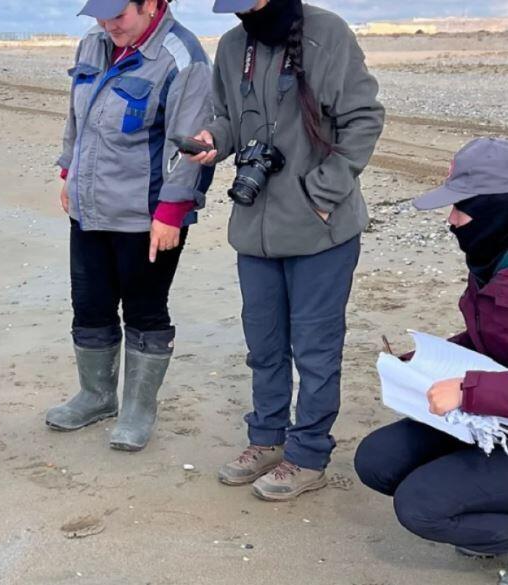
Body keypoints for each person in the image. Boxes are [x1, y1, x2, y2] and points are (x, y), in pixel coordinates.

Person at [190, 0, 384, 499]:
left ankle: (308, 455)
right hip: (255, 230)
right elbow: (229, 119)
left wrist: (320, 195)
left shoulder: (327, 33)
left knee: (316, 351)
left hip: (323, 231)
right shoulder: (234, 46)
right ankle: (267, 439)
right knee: (265, 346)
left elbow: (364, 119)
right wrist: (215, 138)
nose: (238, 13)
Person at [45, 0, 214, 451]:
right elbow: (76, 119)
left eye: (118, 15)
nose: (108, 24)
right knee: (90, 306)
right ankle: (97, 396)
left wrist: (171, 213)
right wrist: (68, 172)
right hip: (89, 208)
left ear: (154, 4)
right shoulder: (93, 44)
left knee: (144, 312)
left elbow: (190, 146)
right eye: (100, 15)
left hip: (147, 217)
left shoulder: (185, 58)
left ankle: (138, 410)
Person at [355, 137, 508, 559]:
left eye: (462, 206)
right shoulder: (493, 259)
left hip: (496, 408)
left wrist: (468, 392)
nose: (452, 219)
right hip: (497, 419)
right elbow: (489, 341)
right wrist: (426, 360)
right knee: (377, 460)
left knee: (421, 505)